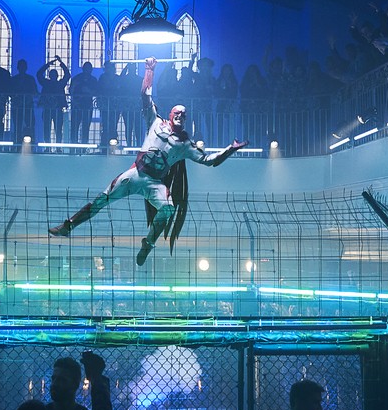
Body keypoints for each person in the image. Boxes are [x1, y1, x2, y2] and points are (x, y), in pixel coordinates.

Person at [48, 57, 248, 265]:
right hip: (136, 173)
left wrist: (230, 149)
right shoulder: (156, 122)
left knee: (168, 208)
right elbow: (145, 95)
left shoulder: (185, 144)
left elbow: (208, 160)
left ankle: (148, 243)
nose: (180, 115)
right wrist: (149, 70)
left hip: (155, 183)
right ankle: (69, 225)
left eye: (184, 114)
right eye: (177, 112)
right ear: (170, 114)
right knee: (102, 199)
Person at [38, 56, 70, 144]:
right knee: (51, 129)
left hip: (54, 109)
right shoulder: (58, 84)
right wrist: (60, 63)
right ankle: (52, 147)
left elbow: (39, 74)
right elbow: (67, 75)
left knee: (54, 129)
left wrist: (48, 65)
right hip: (52, 109)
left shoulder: (47, 83)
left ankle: (53, 147)